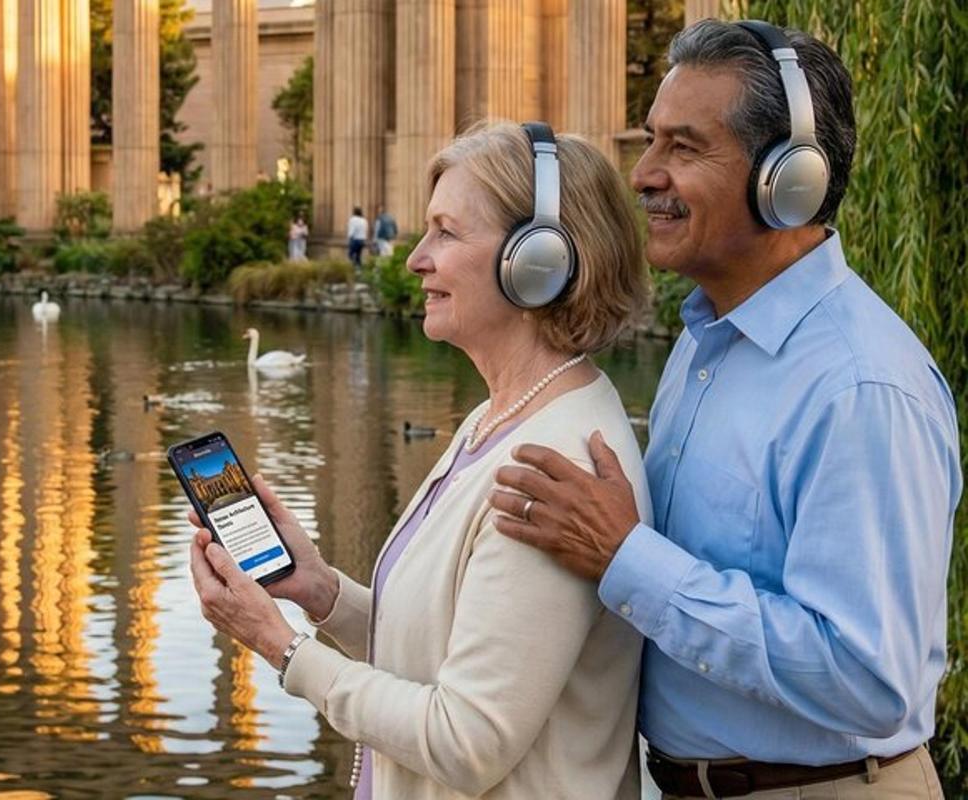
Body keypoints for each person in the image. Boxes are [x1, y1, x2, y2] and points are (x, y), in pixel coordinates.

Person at [489, 19, 962, 800]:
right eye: (650, 142)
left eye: (683, 147)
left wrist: (627, 558)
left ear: (789, 178)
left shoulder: (860, 387)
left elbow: (871, 676)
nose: (642, 174)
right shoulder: (706, 344)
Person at [191, 121, 653, 799]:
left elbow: (467, 741)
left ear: (539, 260)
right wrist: (321, 593)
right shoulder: (499, 417)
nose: (415, 258)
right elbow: (447, 650)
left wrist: (281, 647)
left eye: (447, 231)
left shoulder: (553, 468)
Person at [346, 205, 368, 270]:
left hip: (355, 239)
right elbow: (365, 229)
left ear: (354, 212)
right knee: (358, 255)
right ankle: (359, 269)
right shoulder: (364, 220)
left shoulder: (353, 219)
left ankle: (354, 267)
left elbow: (352, 230)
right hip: (362, 240)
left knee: (350, 255)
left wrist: (349, 237)